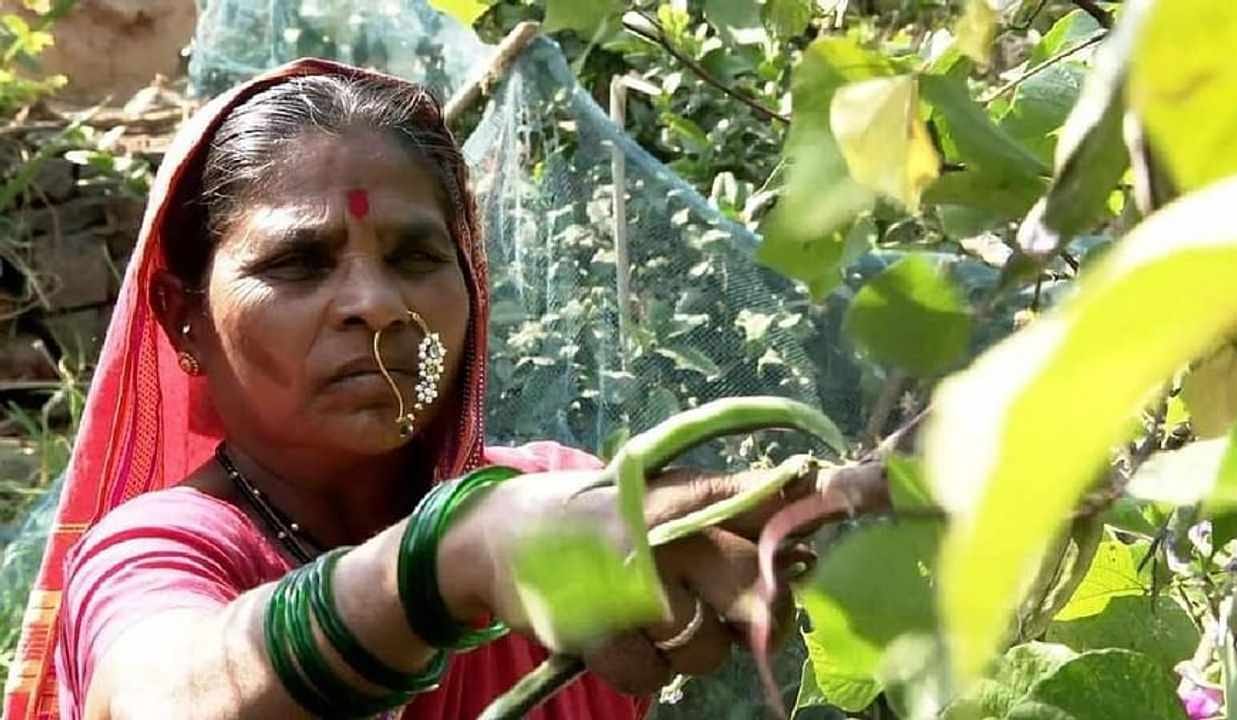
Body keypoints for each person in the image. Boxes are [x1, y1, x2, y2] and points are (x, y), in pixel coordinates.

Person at [2, 58, 825, 720]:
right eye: (299, 263)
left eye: (416, 258)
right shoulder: (159, 550)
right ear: (184, 321)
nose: (377, 305)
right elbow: (159, 696)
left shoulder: (557, 498)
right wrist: (450, 555)